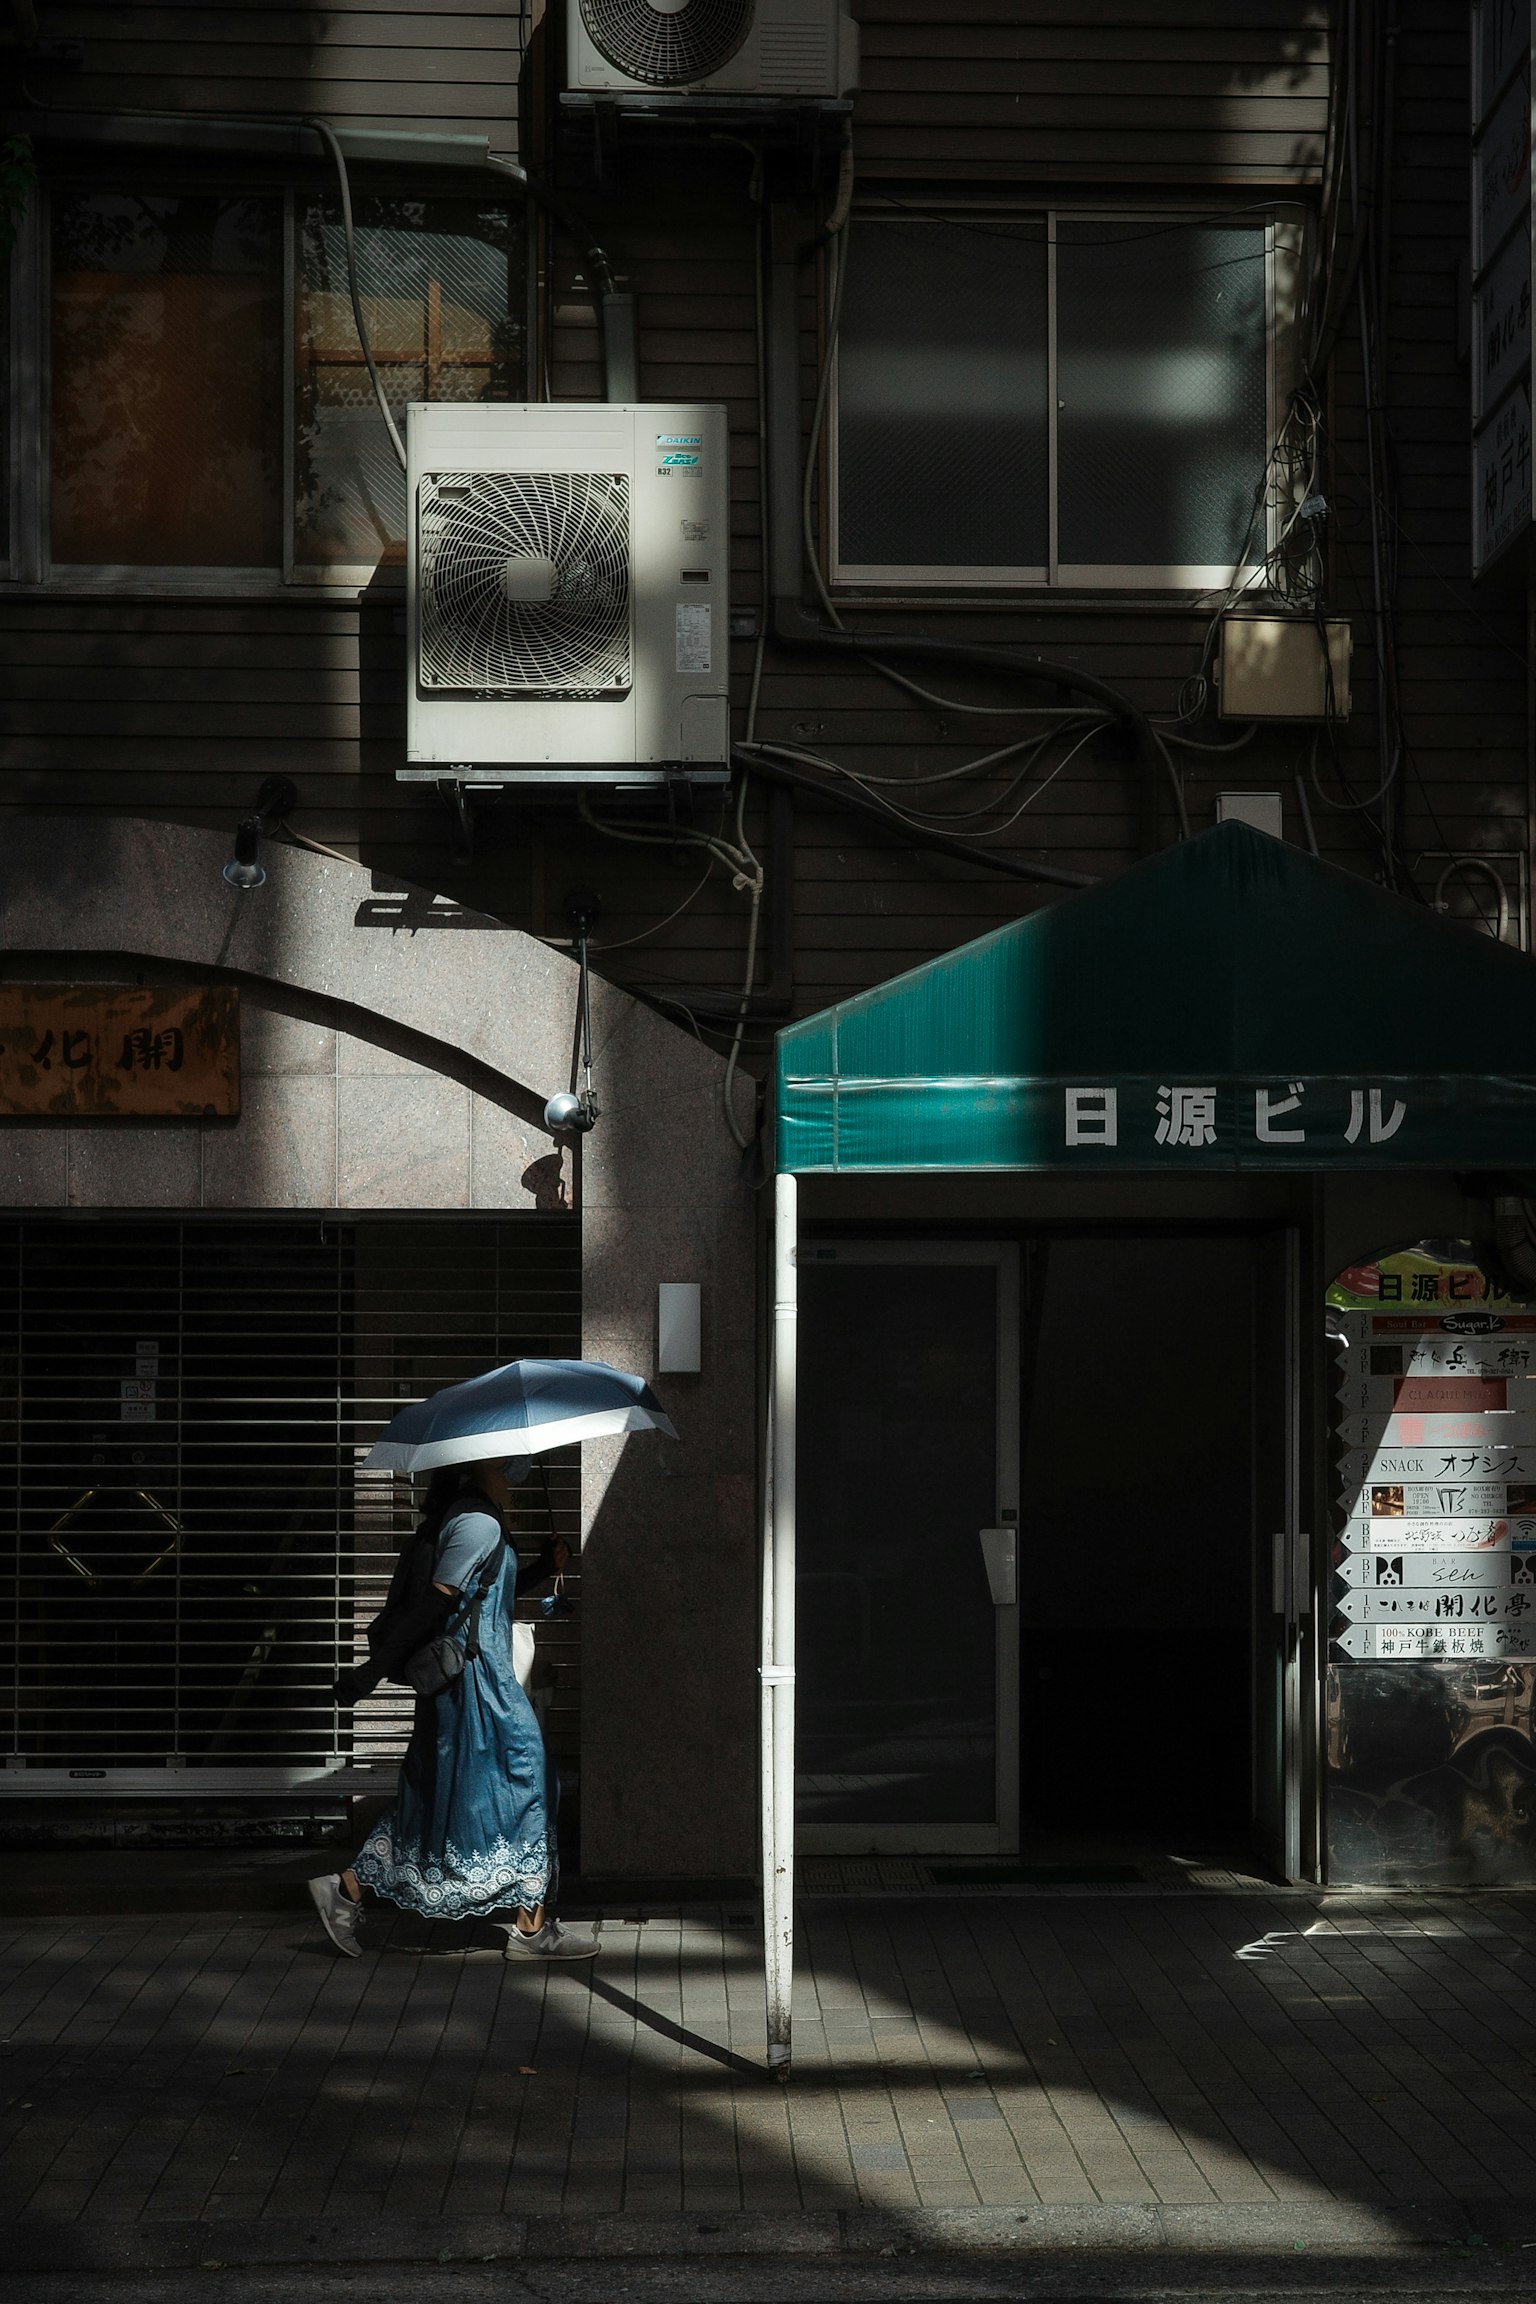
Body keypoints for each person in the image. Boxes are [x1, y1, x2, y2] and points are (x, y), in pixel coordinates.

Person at [308, 1458, 596, 1960]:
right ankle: (531, 1929)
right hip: (480, 1687)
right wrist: (369, 1673)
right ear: (481, 1467)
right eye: (506, 1467)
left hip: (469, 1684)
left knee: (437, 1796)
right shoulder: (478, 1522)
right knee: (530, 1782)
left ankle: (347, 1890)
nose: (516, 1474)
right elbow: (436, 1606)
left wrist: (541, 1570)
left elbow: (480, 1598)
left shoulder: (474, 1519)